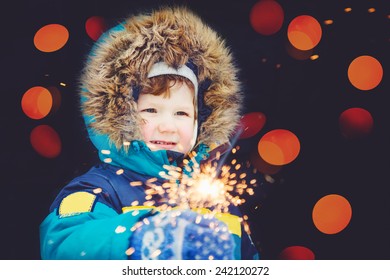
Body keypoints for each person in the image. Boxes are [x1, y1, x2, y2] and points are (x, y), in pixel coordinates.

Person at [40, 6, 259, 260]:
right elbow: (66, 245)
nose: (167, 126)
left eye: (182, 114)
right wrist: (141, 237)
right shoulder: (98, 189)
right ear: (122, 115)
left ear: (203, 123)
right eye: (151, 110)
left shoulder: (217, 201)